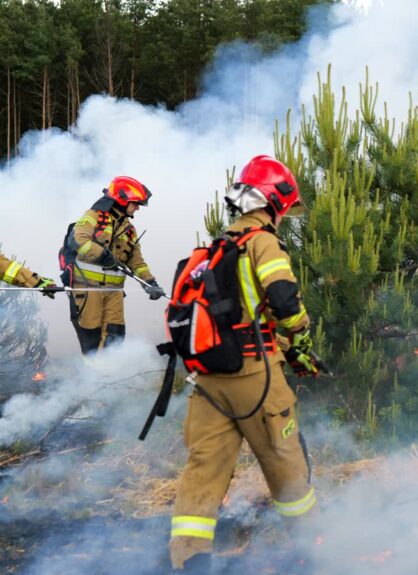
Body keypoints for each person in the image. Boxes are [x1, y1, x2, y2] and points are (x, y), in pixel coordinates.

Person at [169, 155, 321, 573]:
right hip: (254, 375)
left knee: (204, 469)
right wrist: (301, 338)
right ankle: (313, 550)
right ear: (276, 202)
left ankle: (189, 560)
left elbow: (240, 312)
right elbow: (285, 301)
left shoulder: (215, 248)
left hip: (208, 380)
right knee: (285, 459)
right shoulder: (262, 241)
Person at [65, 176, 164, 353]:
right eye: (135, 203)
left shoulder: (129, 229)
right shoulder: (94, 216)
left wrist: (150, 283)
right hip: (89, 289)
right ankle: (91, 380)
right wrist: (103, 255)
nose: (138, 208)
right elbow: (78, 240)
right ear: (122, 199)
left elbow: (137, 262)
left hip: (114, 292)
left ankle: (110, 377)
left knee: (116, 337)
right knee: (91, 339)